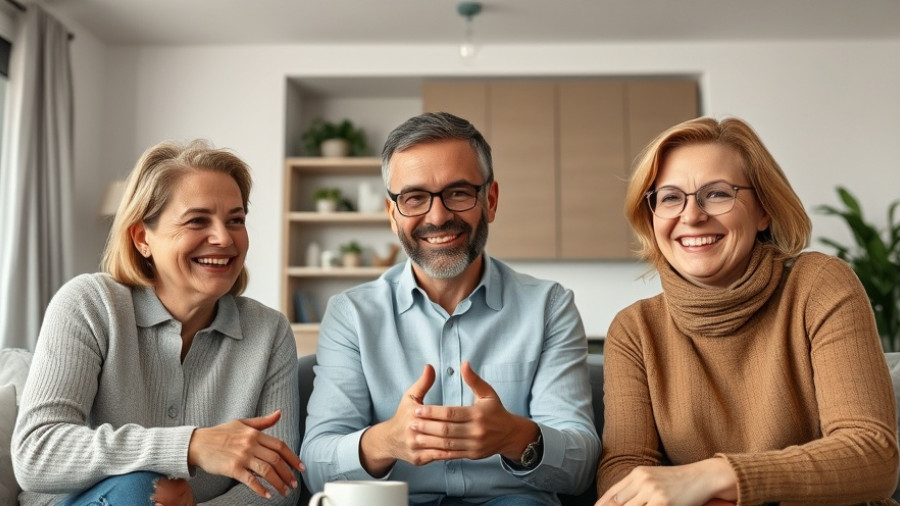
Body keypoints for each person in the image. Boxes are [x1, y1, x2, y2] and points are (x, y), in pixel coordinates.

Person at [595, 117, 899, 506]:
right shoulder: (635, 329)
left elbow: (871, 454)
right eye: (670, 197)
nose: (691, 216)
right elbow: (624, 468)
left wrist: (715, 476)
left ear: (763, 211)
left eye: (717, 194)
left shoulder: (819, 284)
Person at [301, 112, 600, 505]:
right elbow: (315, 465)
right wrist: (385, 441)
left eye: (458, 193)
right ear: (392, 215)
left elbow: (581, 468)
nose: (438, 216)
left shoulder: (549, 307)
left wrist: (514, 436)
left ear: (490, 201)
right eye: (414, 198)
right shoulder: (351, 314)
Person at [12, 140, 304, 505]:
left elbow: (279, 482)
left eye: (236, 220)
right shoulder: (89, 304)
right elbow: (37, 453)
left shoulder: (269, 331)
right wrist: (192, 445)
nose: (224, 238)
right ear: (142, 238)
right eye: (197, 220)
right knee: (142, 487)